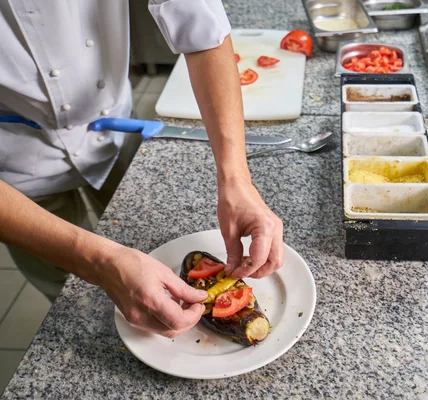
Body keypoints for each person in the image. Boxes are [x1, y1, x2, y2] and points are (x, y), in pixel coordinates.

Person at [0, 0, 284, 338]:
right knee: (69, 297)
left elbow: (201, 28)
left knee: (141, 246)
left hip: (113, 124)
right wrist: (99, 262)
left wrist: (237, 181)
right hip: (15, 164)